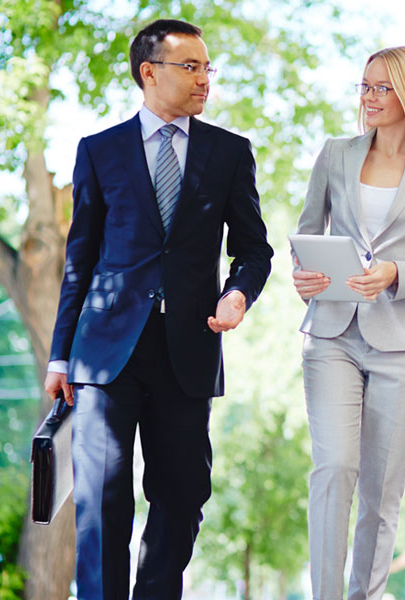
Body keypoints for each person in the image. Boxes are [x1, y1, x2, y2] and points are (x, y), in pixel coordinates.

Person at [43, 18, 273, 599]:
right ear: (150, 73)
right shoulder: (99, 151)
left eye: (206, 68)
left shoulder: (229, 153)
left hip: (189, 348)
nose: (204, 80)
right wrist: (59, 356)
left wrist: (238, 293)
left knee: (184, 492)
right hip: (105, 354)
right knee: (101, 500)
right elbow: (80, 261)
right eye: (190, 67)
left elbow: (253, 249)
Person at [293, 45, 405, 600]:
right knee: (335, 469)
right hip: (331, 335)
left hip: (401, 344)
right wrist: (304, 275)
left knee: (380, 491)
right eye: (364, 87)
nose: (368, 98)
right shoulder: (336, 153)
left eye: (380, 88)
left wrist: (397, 272)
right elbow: (305, 237)